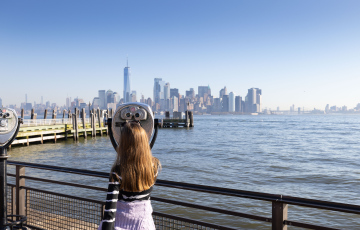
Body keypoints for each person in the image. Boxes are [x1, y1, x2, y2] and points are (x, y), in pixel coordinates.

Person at [98, 121, 161, 230]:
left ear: (124, 144)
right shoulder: (154, 166)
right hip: (145, 224)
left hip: (121, 224)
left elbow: (110, 212)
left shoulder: (118, 172)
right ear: (144, 141)